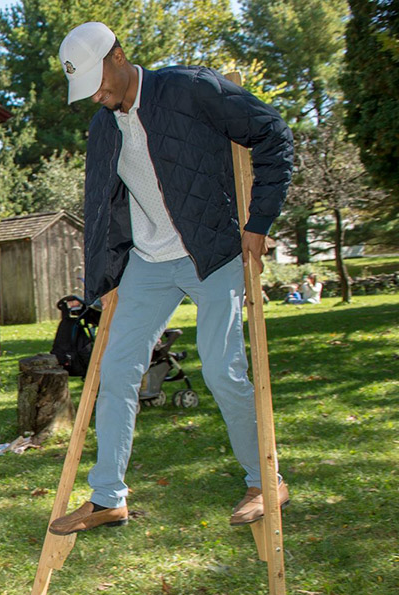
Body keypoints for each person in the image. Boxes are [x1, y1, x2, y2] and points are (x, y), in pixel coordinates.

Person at [49, 21, 294, 535]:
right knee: (115, 372)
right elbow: (102, 206)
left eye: (99, 80)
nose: (97, 94)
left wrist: (259, 223)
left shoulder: (188, 88)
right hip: (148, 263)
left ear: (117, 55)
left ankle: (264, 480)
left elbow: (272, 134)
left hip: (212, 252)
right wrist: (107, 272)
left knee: (223, 367)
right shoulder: (103, 126)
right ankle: (108, 497)